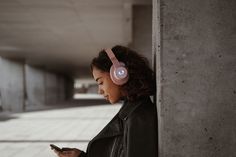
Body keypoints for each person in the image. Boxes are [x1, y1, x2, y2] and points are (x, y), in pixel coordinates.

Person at [52, 45, 158, 157]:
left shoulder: (139, 117)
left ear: (120, 74)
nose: (100, 91)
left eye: (101, 82)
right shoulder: (132, 111)